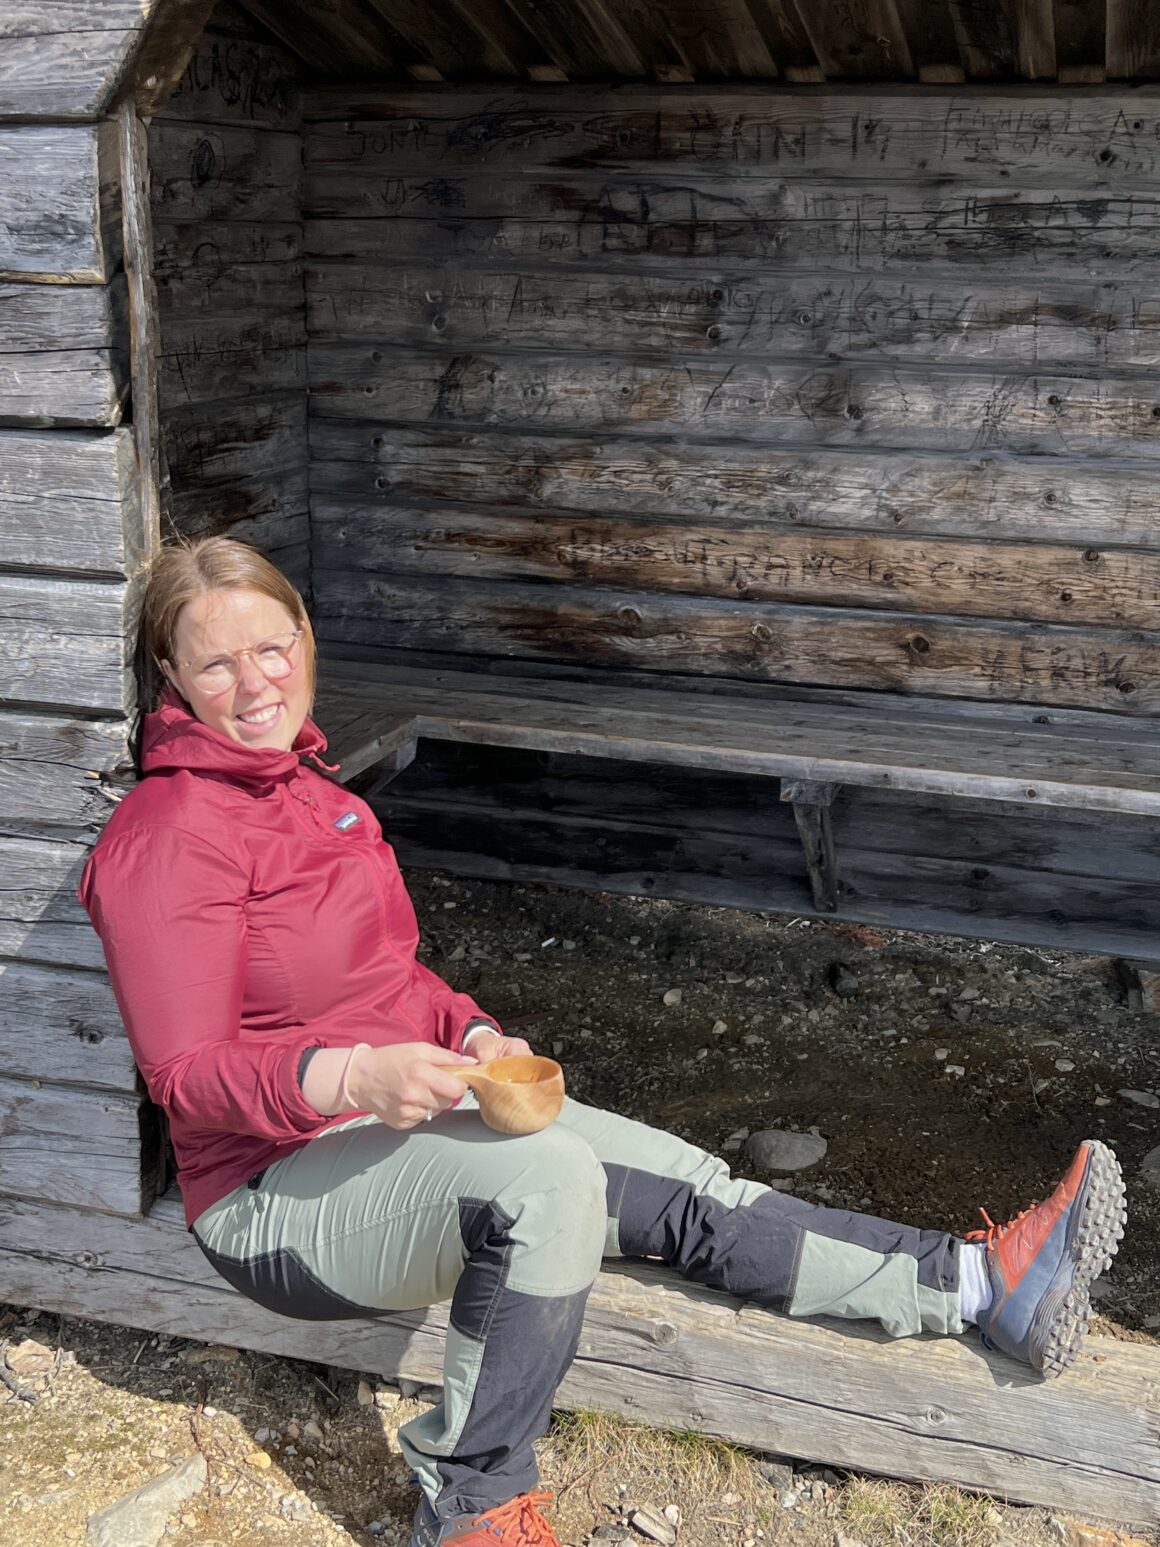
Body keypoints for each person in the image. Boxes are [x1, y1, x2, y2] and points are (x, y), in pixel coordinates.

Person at [79, 537, 1126, 1547]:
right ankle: (472, 1507)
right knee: (546, 1183)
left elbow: (392, 978)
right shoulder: (167, 838)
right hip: (275, 1192)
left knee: (683, 1182)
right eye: (216, 660)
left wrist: (469, 1028)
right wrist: (348, 1070)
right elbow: (185, 1075)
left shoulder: (314, 796)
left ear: (304, 638)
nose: (255, 679)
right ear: (172, 673)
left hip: (405, 1122)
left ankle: (978, 1287)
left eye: (273, 645)